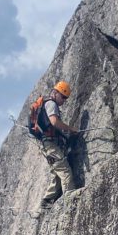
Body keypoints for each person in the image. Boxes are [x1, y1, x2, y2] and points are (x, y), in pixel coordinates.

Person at [38, 81, 81, 210]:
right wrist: (70, 129)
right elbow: (54, 122)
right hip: (50, 145)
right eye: (63, 97)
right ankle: (70, 201)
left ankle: (47, 200)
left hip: (47, 145)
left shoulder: (46, 103)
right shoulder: (51, 103)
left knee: (57, 172)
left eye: (66, 98)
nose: (64, 101)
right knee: (65, 171)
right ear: (56, 93)